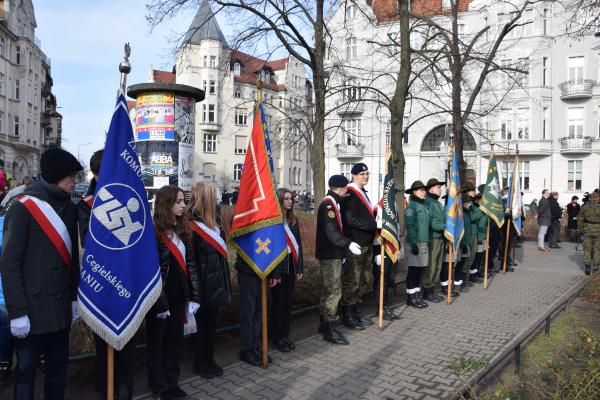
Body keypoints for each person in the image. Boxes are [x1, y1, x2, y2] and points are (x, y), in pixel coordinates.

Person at [0, 147, 82, 400]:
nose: (76, 181)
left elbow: (72, 260)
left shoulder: (70, 208)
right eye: (72, 176)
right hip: (30, 310)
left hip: (59, 311)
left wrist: (73, 299)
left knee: (57, 373)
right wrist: (17, 313)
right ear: (58, 174)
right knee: (24, 376)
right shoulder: (22, 207)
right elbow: (9, 264)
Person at [77, 149, 136, 400]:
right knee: (104, 343)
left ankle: (125, 390)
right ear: (100, 173)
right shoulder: (85, 205)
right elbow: (86, 243)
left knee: (128, 342)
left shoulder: (128, 198)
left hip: (126, 280)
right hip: (101, 282)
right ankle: (106, 390)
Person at [147, 185, 200, 400]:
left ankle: (172, 381)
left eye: (183, 201)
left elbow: (190, 266)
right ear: (165, 204)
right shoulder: (153, 233)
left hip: (179, 297)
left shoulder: (182, 231)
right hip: (159, 299)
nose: (183, 205)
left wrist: (193, 297)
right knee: (157, 344)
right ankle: (159, 386)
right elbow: (150, 271)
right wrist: (159, 303)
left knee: (175, 342)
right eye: (178, 201)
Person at [188, 182, 231, 378]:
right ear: (205, 198)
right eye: (213, 195)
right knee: (200, 328)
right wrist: (195, 292)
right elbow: (192, 263)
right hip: (202, 287)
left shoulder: (216, 223)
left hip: (216, 284)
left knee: (211, 326)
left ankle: (209, 358)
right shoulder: (191, 226)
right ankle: (199, 362)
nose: (217, 199)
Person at [316, 175, 361, 345]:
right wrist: (347, 244)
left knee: (329, 290)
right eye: (346, 189)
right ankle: (330, 328)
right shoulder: (328, 205)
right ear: (341, 188)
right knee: (333, 291)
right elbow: (332, 231)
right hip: (330, 254)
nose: (346, 192)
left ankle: (324, 324)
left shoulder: (333, 203)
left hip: (333, 253)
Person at [340, 163, 377, 329]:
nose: (366, 176)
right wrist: (371, 225)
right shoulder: (350, 194)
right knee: (352, 281)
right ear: (353, 176)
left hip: (367, 243)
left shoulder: (363, 193)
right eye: (362, 174)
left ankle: (355, 310)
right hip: (356, 243)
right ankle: (347, 314)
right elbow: (350, 219)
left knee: (364, 280)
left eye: (367, 173)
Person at [270, 188, 303, 352]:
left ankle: (285, 335)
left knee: (288, 304)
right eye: (286, 199)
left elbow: (299, 245)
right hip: (279, 267)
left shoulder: (293, 220)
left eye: (291, 199)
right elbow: (273, 249)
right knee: (279, 304)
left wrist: (300, 267)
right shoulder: (274, 221)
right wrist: (275, 273)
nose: (289, 202)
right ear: (280, 200)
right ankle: (277, 338)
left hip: (291, 263)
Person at [404, 181, 430, 308]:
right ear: (414, 192)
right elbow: (410, 225)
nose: (424, 192)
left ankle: (416, 295)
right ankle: (410, 297)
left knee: (419, 271)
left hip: (423, 242)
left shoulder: (423, 205)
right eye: (421, 190)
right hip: (414, 243)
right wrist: (413, 243)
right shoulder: (411, 206)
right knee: (413, 271)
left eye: (424, 190)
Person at [422, 178, 445, 303]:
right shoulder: (428, 203)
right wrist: (444, 227)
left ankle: (431, 289)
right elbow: (430, 221)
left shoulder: (438, 203)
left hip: (440, 237)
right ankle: (427, 291)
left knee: (438, 264)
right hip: (433, 237)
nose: (440, 189)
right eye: (438, 187)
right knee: (431, 264)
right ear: (431, 189)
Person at [462, 183, 484, 284]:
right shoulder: (466, 205)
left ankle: (468, 277)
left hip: (474, 233)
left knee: (472, 258)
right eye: (472, 191)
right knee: (466, 259)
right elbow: (472, 217)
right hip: (468, 234)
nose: (474, 192)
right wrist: (482, 211)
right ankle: (463, 279)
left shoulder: (471, 205)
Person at [578, 191, 600, 275]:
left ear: (590, 198)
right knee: (597, 249)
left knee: (587, 249)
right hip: (598, 230)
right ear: (598, 198)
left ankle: (587, 267)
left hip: (587, 230)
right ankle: (596, 267)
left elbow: (580, 219)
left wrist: (580, 230)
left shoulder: (585, 207)